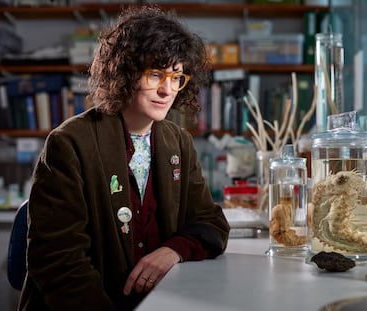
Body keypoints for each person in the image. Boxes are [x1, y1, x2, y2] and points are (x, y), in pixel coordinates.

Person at [18, 5, 230, 311]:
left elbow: (211, 222)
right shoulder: (69, 143)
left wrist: (174, 251)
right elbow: (58, 261)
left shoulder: (178, 142)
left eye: (176, 77)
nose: (166, 90)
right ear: (125, 72)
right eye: (155, 74)